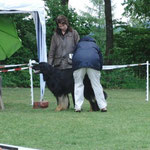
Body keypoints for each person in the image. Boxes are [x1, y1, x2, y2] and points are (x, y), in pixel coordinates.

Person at [48, 15, 80, 111]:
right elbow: (52, 51)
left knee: (73, 86)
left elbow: (78, 47)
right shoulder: (55, 35)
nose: (62, 27)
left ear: (67, 23)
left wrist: (77, 61)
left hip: (70, 65)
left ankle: (76, 105)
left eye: (63, 25)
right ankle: (62, 105)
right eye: (60, 25)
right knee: (59, 87)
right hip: (58, 65)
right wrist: (50, 64)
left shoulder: (73, 33)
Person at [72, 35, 107, 112]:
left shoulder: (78, 45)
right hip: (93, 64)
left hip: (79, 64)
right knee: (96, 85)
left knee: (78, 84)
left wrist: (74, 68)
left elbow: (74, 57)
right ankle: (103, 106)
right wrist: (99, 69)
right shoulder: (95, 45)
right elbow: (100, 59)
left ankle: (78, 107)